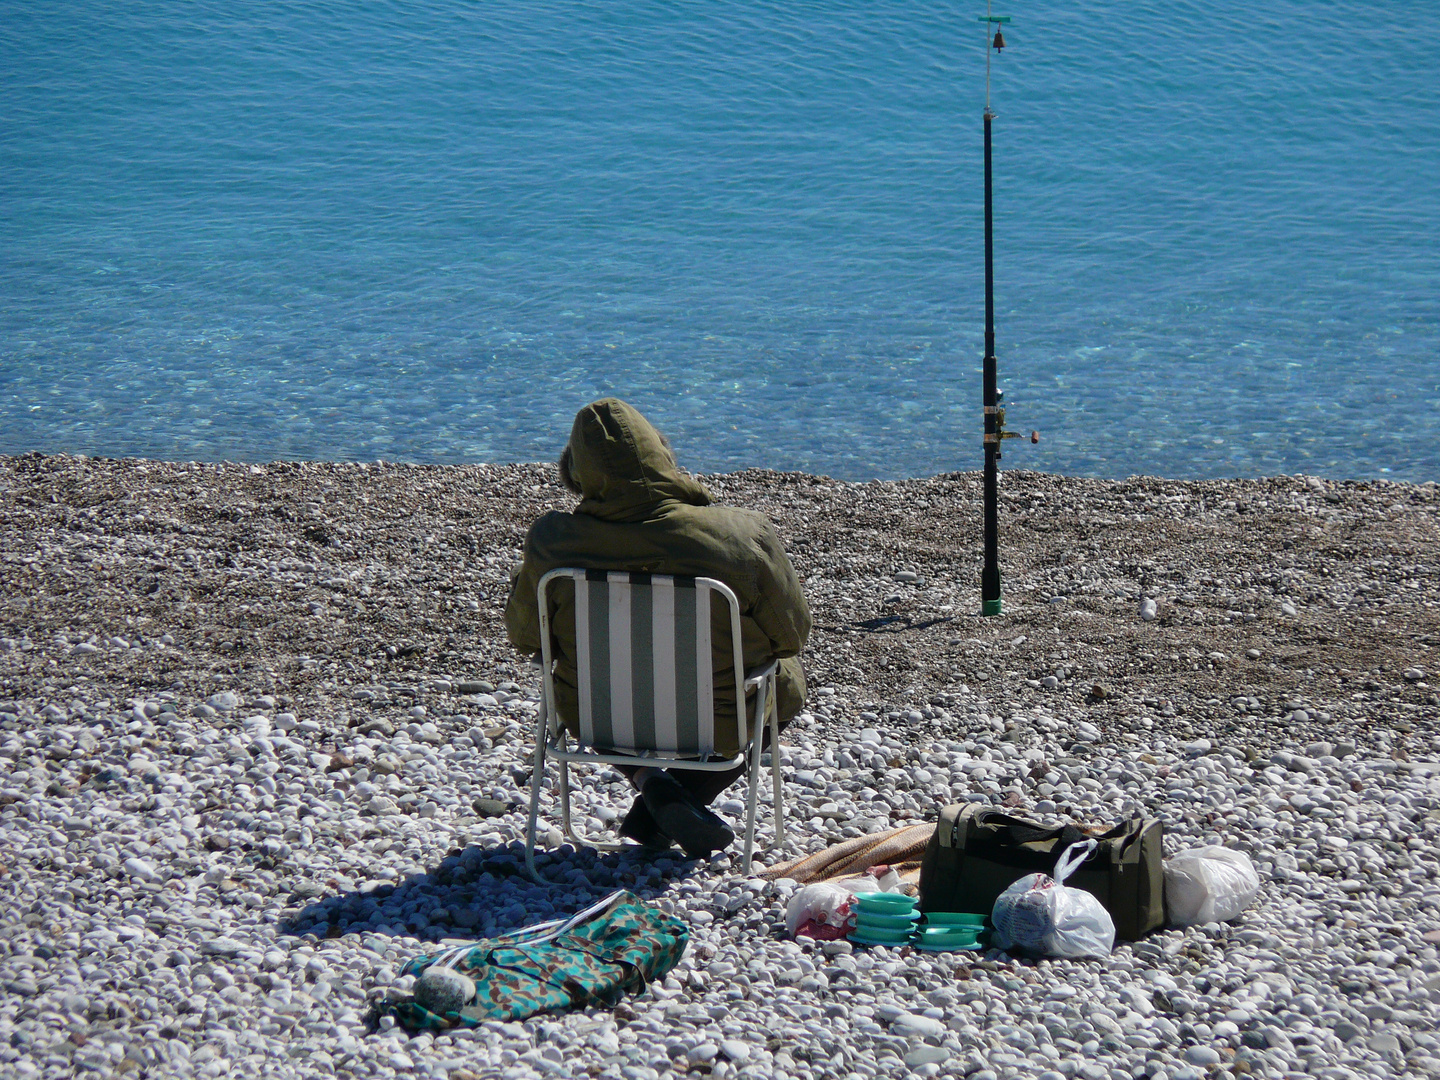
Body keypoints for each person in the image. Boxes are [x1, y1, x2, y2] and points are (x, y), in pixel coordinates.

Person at [505, 398, 811, 859]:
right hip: (719, 723)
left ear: (577, 473)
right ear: (664, 459)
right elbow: (791, 636)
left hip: (597, 717)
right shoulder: (742, 535)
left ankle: (651, 785)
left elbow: (526, 636)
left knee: (588, 676)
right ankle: (666, 805)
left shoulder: (552, 542)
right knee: (785, 679)